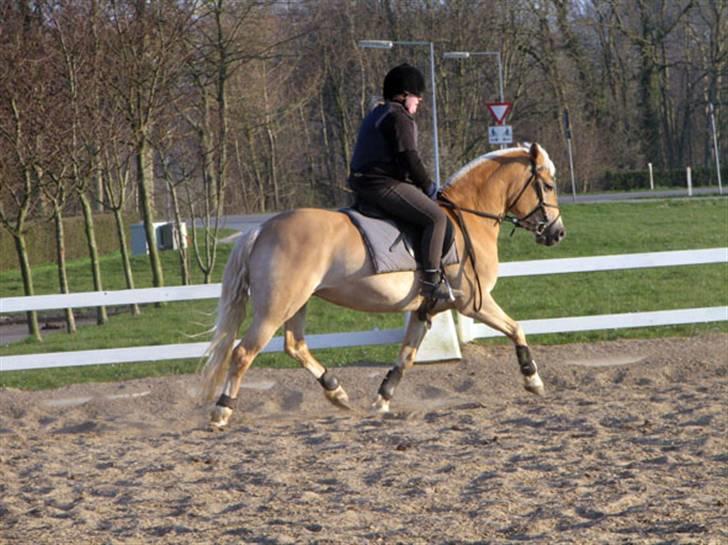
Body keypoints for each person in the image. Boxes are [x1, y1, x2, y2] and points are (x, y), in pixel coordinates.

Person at [348, 63, 451, 302]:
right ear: (404, 95)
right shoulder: (399, 117)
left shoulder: (377, 113)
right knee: (437, 218)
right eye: (417, 95)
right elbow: (410, 159)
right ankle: (431, 282)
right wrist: (429, 188)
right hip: (381, 184)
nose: (420, 101)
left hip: (361, 183)